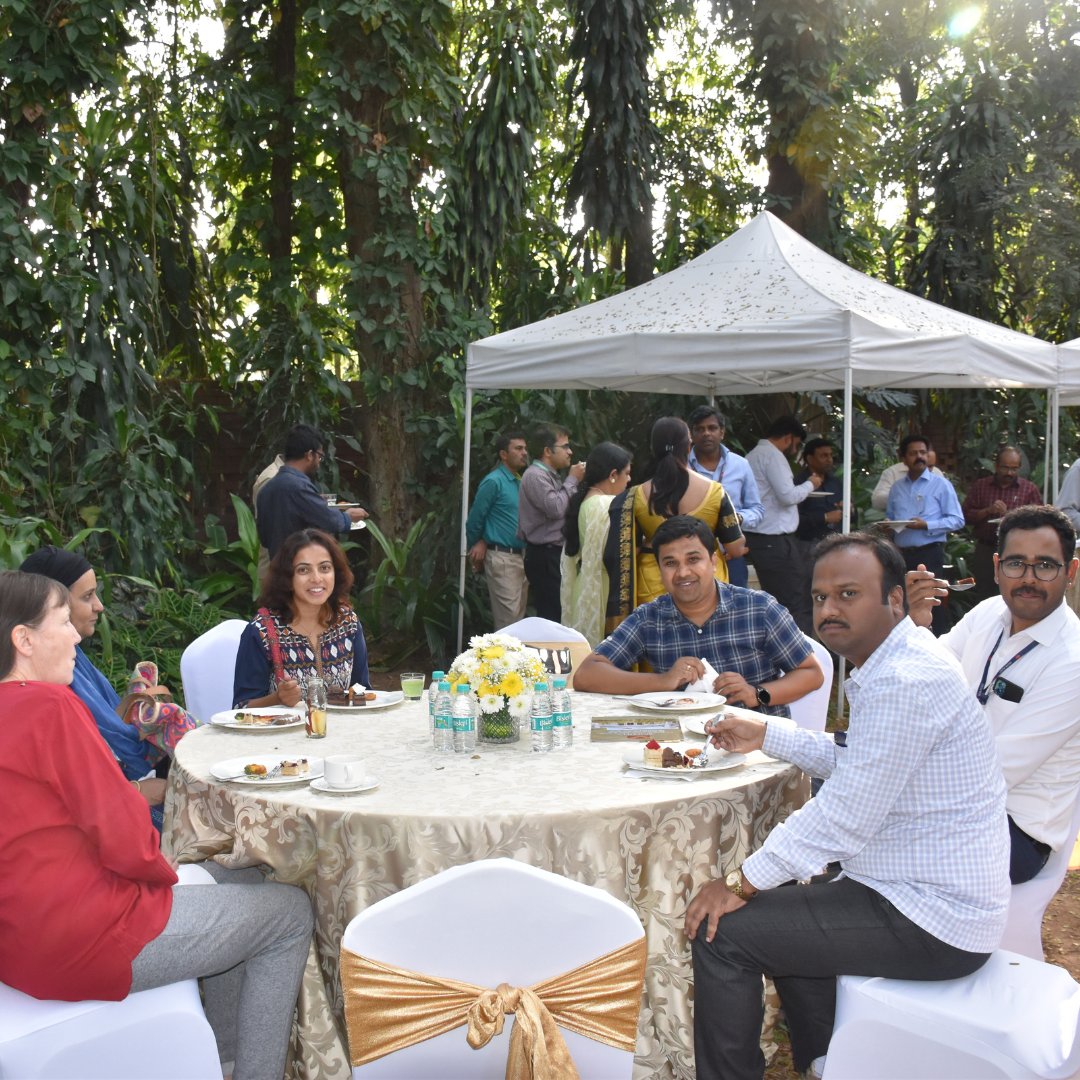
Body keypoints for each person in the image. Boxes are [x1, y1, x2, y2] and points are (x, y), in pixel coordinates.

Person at [687, 532, 1009, 1080]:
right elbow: (858, 759)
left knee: (723, 934)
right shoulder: (896, 659)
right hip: (911, 889)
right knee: (783, 895)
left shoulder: (907, 679)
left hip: (934, 916)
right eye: (819, 598)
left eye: (848, 594)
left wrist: (737, 882)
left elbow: (843, 815)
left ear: (894, 601)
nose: (829, 610)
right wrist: (764, 733)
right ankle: (826, 1062)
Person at [0, 570, 314, 1080]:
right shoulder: (50, 706)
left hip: (18, 940)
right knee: (289, 913)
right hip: (79, 939)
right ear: (24, 639)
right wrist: (167, 871)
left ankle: (227, 1060)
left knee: (242, 878)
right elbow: (122, 831)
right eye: (64, 621)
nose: (78, 635)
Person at [907, 505, 1080, 883]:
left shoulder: (1073, 660)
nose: (1029, 579)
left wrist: (894, 778)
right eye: (1017, 564)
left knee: (866, 829)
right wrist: (916, 625)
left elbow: (991, 773)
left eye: (1046, 566)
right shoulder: (988, 613)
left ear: (1070, 572)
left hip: (1013, 831)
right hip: (950, 801)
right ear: (998, 567)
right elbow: (925, 682)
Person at [577, 515, 821, 718]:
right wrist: (663, 682)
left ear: (714, 562)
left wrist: (756, 693)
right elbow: (587, 675)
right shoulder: (649, 619)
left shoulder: (759, 608)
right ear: (660, 570)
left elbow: (811, 673)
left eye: (693, 559)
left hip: (761, 746)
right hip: (681, 751)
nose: (683, 572)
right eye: (670, 563)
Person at [19, 546, 180, 828]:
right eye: (87, 596)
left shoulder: (75, 662)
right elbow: (68, 797)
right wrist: (137, 793)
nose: (100, 606)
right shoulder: (48, 688)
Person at [604, 417, 748, 631]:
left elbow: (625, 552)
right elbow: (735, 548)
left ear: (653, 448)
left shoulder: (634, 497)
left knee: (656, 653)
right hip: (705, 582)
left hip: (655, 581)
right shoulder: (715, 491)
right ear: (689, 446)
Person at [233, 529, 370, 708]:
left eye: (325, 568)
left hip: (342, 733)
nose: (316, 578)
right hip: (283, 735)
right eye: (303, 570)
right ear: (288, 578)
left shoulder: (347, 622)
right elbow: (239, 709)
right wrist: (277, 699)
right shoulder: (262, 631)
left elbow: (362, 691)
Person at [745, 415, 823, 634]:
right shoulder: (772, 456)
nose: (795, 449)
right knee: (792, 599)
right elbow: (787, 496)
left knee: (778, 598)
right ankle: (799, 654)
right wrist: (811, 484)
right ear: (789, 438)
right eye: (797, 444)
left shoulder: (752, 455)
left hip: (763, 538)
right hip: (774, 539)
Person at [885, 434, 964, 634]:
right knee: (901, 601)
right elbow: (891, 519)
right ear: (903, 458)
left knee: (931, 603)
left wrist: (926, 525)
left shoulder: (940, 485)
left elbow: (957, 520)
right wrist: (887, 526)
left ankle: (936, 646)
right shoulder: (896, 488)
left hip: (929, 553)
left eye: (923, 452)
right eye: (913, 453)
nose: (919, 457)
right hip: (901, 554)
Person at [255, 424, 369, 560]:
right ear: (309, 455)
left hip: (278, 569)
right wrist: (348, 517)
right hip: (299, 568)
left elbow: (264, 539)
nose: (319, 462)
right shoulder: (298, 486)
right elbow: (331, 521)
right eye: (319, 456)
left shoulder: (267, 488)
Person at [560, 442, 633, 646]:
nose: (629, 480)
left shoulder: (586, 500)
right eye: (626, 473)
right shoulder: (606, 505)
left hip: (584, 586)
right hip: (603, 589)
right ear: (612, 474)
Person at [688, 405, 765, 588]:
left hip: (731, 556)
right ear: (691, 434)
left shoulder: (740, 465)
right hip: (692, 557)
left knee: (736, 610)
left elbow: (757, 509)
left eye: (712, 428)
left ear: (722, 433)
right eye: (700, 429)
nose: (706, 433)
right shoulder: (682, 467)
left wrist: (737, 519)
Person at [517, 423, 586, 622]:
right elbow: (555, 508)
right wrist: (572, 480)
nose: (570, 451)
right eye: (565, 447)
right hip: (544, 555)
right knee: (551, 614)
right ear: (547, 451)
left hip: (552, 554)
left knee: (559, 611)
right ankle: (548, 653)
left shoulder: (548, 474)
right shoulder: (535, 476)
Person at [465, 430, 530, 630]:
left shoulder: (519, 481)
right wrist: (478, 541)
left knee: (517, 621)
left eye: (525, 448)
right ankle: (500, 662)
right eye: (518, 449)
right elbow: (476, 517)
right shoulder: (494, 481)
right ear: (503, 454)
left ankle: (514, 662)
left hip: (521, 557)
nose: (524, 453)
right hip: (502, 558)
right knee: (508, 622)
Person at [962, 446, 1042, 601]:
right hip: (986, 549)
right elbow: (964, 516)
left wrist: (1010, 516)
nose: (1009, 473)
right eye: (1005, 468)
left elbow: (1038, 521)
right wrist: (987, 511)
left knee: (1015, 592)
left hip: (1019, 550)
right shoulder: (981, 486)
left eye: (1014, 469)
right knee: (984, 595)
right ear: (996, 466)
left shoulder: (1029, 489)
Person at [795, 437, 848, 545]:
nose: (829, 459)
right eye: (824, 456)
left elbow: (853, 516)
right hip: (808, 544)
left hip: (837, 543)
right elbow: (792, 518)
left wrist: (848, 508)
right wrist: (825, 517)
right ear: (810, 459)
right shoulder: (798, 483)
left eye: (830, 455)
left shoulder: (836, 482)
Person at [870, 440, 945, 511]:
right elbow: (877, 501)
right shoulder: (892, 472)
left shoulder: (937, 473)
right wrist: (904, 497)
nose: (927, 471)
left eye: (930, 466)